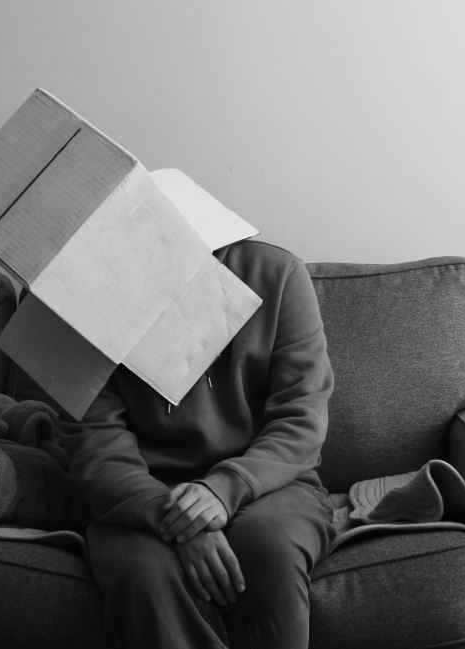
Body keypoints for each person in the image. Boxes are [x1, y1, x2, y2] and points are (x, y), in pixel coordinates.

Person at [48, 240, 335, 649]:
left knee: (268, 546)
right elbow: (95, 446)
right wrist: (179, 520)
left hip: (270, 482)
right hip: (140, 496)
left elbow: (302, 417)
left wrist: (223, 488)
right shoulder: (82, 299)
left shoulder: (278, 274)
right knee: (142, 571)